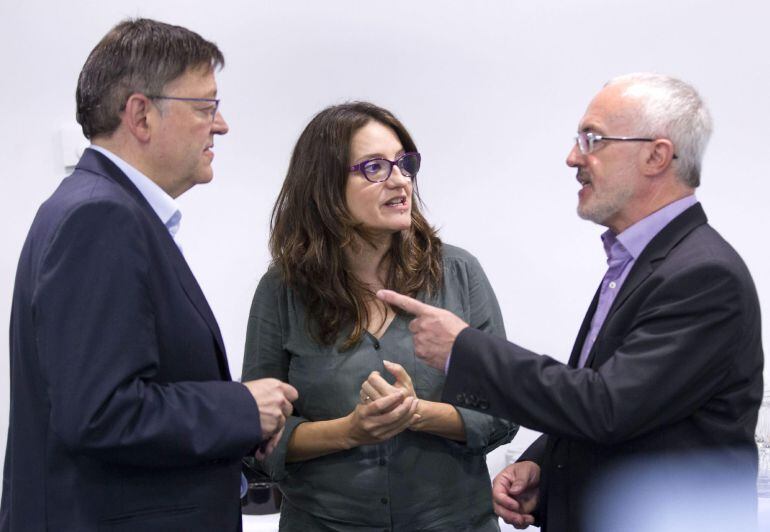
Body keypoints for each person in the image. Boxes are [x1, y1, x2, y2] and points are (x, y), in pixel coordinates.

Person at [377, 73, 764, 531]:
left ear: (656, 156)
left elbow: (607, 407)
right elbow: (623, 402)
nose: (572, 157)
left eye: (592, 139)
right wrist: (545, 464)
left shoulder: (703, 275)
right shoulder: (643, 263)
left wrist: (462, 348)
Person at [0, 18, 297, 532]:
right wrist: (242, 408)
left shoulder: (94, 207)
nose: (221, 125)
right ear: (141, 115)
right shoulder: (100, 218)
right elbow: (102, 413)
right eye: (206, 107)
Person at [242, 101, 518, 531]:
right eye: (374, 167)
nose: (400, 180)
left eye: (404, 164)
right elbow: (257, 441)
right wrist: (350, 431)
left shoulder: (458, 273)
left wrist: (417, 413)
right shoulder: (282, 290)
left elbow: (502, 413)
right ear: (325, 185)